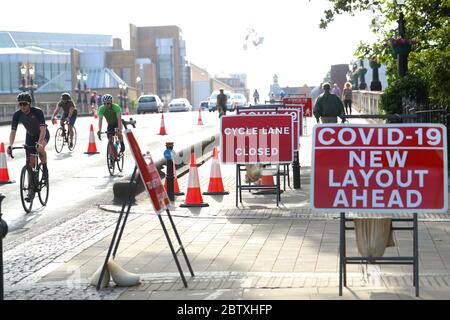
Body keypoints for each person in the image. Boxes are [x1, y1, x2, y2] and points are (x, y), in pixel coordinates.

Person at [8, 92, 50, 179]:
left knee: (40, 149)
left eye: (25, 104)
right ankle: (32, 184)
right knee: (31, 162)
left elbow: (43, 129)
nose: (22, 106)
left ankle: (45, 168)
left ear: (29, 104)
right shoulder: (17, 114)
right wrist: (10, 145)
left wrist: (40, 143)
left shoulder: (37, 112)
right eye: (20, 104)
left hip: (42, 134)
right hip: (30, 135)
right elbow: (13, 131)